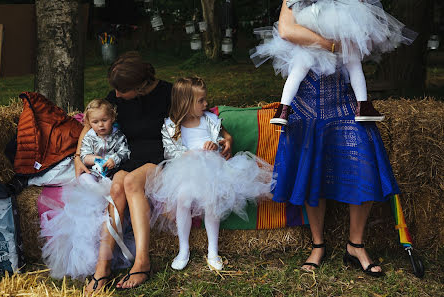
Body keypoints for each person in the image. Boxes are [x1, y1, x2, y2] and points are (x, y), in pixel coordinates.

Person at [73, 52, 233, 292]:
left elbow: (201, 115)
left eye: (121, 91)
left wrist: (226, 136)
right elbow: (89, 124)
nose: (116, 95)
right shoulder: (117, 96)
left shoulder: (168, 94)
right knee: (116, 187)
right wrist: (78, 156)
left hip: (161, 156)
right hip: (127, 155)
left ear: (139, 87)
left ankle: (142, 262)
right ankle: (102, 266)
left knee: (131, 184)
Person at [268, 1, 401, 276]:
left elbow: (363, 34)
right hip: (305, 100)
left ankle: (356, 244)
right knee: (311, 171)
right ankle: (318, 245)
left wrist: (342, 42)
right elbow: (285, 30)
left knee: (364, 164)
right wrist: (331, 44)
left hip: (344, 98)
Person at [145, 77, 274, 271]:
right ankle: (183, 249)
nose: (206, 104)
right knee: (182, 199)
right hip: (185, 171)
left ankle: (213, 250)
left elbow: (223, 139)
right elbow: (169, 152)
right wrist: (191, 153)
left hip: (214, 169)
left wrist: (218, 144)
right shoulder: (170, 127)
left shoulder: (210, 120)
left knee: (211, 199)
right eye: (201, 101)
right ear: (185, 103)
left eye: (205, 99)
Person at [251, 0, 416, 126]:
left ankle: (282, 110)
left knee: (299, 65)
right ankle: (363, 106)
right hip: (335, 15)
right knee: (352, 60)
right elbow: (286, 30)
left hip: (309, 16)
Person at [40, 98, 130, 279]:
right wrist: (95, 159)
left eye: (104, 120)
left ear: (112, 118)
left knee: (113, 185)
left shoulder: (118, 135)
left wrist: (115, 159)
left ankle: (105, 192)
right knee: (85, 180)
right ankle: (97, 192)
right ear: (89, 123)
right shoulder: (90, 136)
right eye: (95, 122)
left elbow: (125, 151)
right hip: (94, 172)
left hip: (110, 173)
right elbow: (84, 155)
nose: (100, 125)